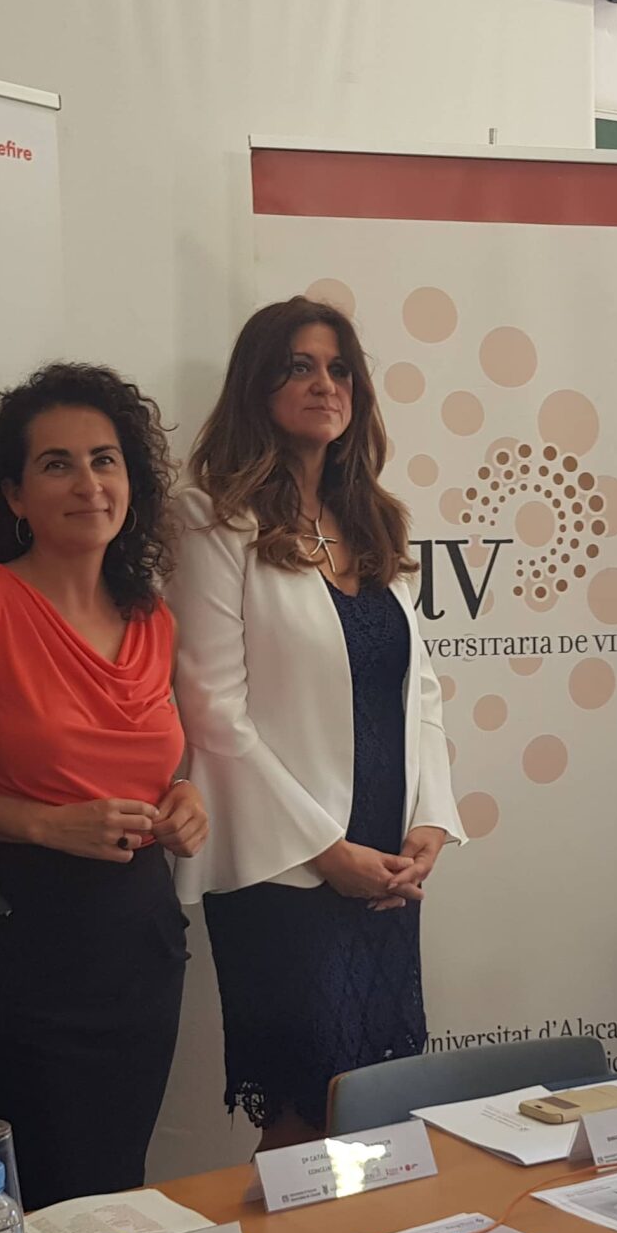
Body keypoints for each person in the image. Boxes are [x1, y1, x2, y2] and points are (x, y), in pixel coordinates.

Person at [167, 296, 461, 1150]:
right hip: (284, 870)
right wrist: (327, 853)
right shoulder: (210, 518)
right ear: (256, 386)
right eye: (298, 366)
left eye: (338, 369)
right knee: (303, 1119)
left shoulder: (370, 520)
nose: (324, 384)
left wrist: (428, 821)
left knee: (372, 1105)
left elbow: (419, 689)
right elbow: (213, 712)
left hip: (384, 862)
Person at [0, 363, 204, 1209]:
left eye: (104, 460)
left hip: (141, 940)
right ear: (15, 494)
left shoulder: (154, 618)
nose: (88, 484)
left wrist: (185, 799)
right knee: (48, 1201)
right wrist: (44, 825)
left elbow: (163, 765)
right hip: (22, 943)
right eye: (57, 465)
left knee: (120, 1189)